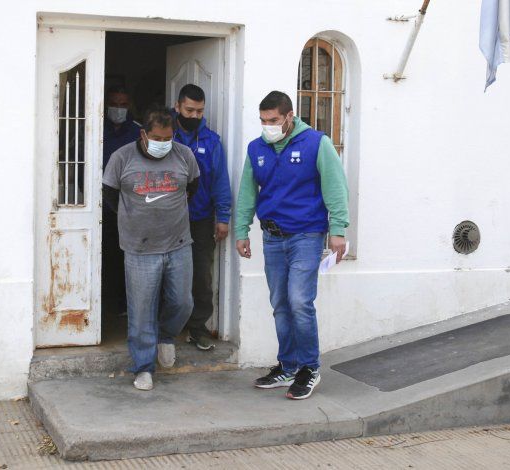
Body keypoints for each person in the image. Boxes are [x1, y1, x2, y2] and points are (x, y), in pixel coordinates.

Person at [235, 91, 349, 400]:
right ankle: (288, 366)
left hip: (306, 236)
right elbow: (247, 192)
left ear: (289, 116)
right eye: (263, 120)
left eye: (273, 120)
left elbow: (335, 187)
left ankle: (309, 367)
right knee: (281, 303)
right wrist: (241, 230)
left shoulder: (316, 143)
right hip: (272, 237)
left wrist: (338, 230)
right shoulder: (256, 148)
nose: (267, 126)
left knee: (299, 301)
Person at [103, 105, 200, 391]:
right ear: (143, 134)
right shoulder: (122, 158)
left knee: (183, 302)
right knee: (142, 309)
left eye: (168, 138)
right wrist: (133, 218)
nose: (163, 144)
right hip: (140, 248)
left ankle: (166, 336)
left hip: (178, 243)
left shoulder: (184, 155)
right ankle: (143, 366)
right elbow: (110, 194)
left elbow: (192, 186)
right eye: (157, 138)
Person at [172, 84, 231, 351]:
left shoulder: (211, 141)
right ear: (177, 107)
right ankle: (165, 328)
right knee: (165, 274)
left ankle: (197, 328)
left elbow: (220, 181)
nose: (194, 116)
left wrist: (223, 217)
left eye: (199, 111)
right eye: (189, 110)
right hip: (167, 220)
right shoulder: (165, 136)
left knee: (201, 276)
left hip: (201, 218)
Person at [102, 87, 142, 316]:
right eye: (114, 103)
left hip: (130, 206)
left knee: (127, 256)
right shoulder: (93, 127)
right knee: (104, 254)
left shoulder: (138, 132)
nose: (118, 109)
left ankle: (125, 305)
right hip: (99, 206)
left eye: (123, 104)